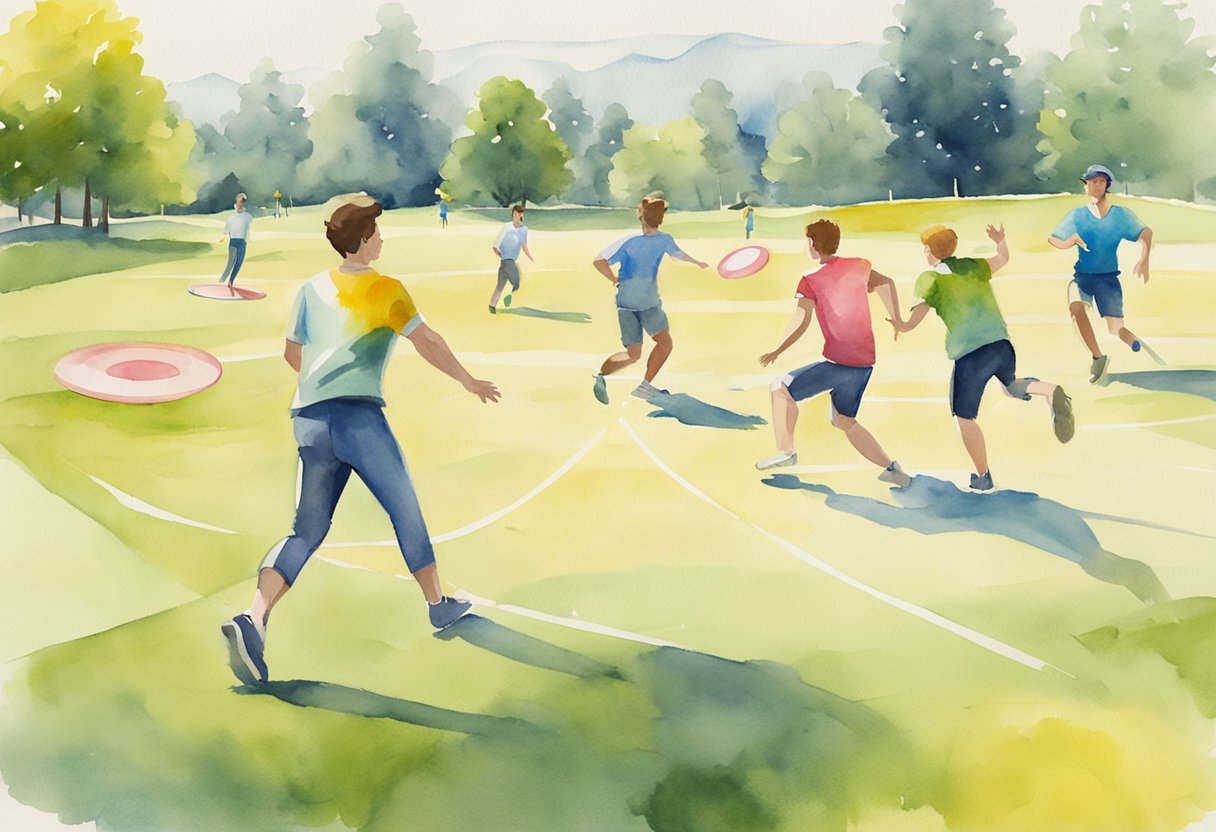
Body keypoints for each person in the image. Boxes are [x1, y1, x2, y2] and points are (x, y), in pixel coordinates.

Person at [221, 196, 501, 686]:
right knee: (404, 508)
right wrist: (468, 380)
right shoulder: (387, 289)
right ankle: (437, 606)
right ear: (364, 239)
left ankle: (254, 619)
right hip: (358, 420)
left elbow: (295, 355)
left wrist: (322, 386)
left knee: (306, 530)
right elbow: (428, 341)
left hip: (309, 418)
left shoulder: (311, 288)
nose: (383, 240)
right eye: (378, 233)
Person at [889, 224, 1074, 491]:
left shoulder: (929, 279)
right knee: (1011, 385)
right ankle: (1049, 390)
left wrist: (898, 323)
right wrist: (1000, 241)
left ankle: (982, 476)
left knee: (964, 416)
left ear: (930, 251)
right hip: (1001, 344)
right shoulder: (974, 266)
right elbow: (1003, 258)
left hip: (970, 354)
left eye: (925, 248)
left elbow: (911, 322)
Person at [755, 219, 911, 487]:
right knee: (843, 419)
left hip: (838, 364)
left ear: (813, 244)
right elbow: (886, 283)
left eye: (807, 240)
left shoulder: (810, 279)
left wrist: (778, 349)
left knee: (780, 386)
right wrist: (896, 319)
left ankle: (785, 451)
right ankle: (892, 469)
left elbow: (801, 321)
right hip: (863, 365)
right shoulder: (860, 266)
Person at [591, 194, 708, 403]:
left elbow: (599, 261)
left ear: (640, 215)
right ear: (661, 218)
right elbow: (679, 254)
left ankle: (601, 376)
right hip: (648, 303)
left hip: (626, 303)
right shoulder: (664, 239)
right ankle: (645, 386)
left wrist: (614, 279)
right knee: (665, 344)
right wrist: (697, 262)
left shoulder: (628, 242)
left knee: (633, 354)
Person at [1048, 164, 1153, 383]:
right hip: (1083, 277)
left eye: (1100, 181)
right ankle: (1098, 357)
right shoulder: (1077, 215)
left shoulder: (1120, 215)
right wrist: (1071, 240)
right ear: (1085, 185)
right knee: (1076, 307)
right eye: (1092, 181)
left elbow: (1145, 232)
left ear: (1107, 185)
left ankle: (1128, 337)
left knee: (1115, 329)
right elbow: (1054, 238)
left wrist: (1144, 259)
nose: (1096, 185)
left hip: (1108, 279)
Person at [489, 204, 533, 312]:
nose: (516, 216)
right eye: (515, 214)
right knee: (515, 283)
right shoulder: (507, 227)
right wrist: (500, 254)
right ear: (512, 214)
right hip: (507, 262)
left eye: (519, 214)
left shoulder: (523, 230)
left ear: (522, 215)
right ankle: (506, 297)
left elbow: (523, 245)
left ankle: (491, 306)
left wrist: (530, 256)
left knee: (501, 285)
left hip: (508, 261)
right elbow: (495, 244)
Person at [218, 192, 253, 288]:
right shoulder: (231, 218)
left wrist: (250, 237)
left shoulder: (248, 217)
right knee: (230, 263)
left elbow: (248, 228)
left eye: (242, 201)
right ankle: (221, 281)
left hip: (242, 243)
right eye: (239, 201)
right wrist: (223, 238)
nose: (240, 204)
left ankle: (231, 281)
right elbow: (227, 230)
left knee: (239, 263)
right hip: (233, 242)